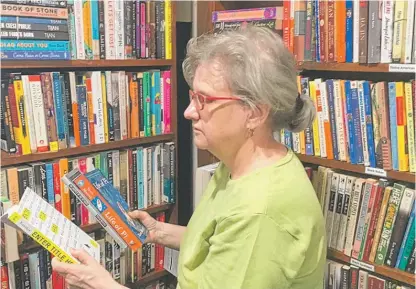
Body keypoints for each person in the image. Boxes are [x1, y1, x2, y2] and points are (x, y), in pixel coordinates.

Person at [52, 25, 327, 289]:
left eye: (204, 100)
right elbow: (219, 245)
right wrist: (159, 232)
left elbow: (244, 237)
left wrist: (100, 284)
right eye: (192, 96)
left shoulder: (260, 212)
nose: (188, 112)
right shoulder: (240, 163)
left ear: (255, 112)